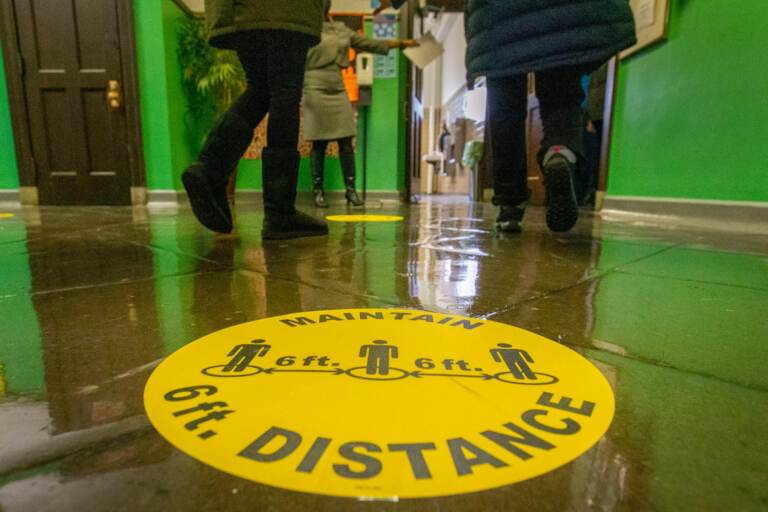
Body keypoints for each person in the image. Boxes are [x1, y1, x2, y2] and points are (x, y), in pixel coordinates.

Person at [378, 0, 635, 233]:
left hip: (496, 18)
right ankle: (559, 152)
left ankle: (510, 206)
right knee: (561, 94)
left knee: (504, 111)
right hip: (563, 12)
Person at [181, 0, 328, 240]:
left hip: (238, 9)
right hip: (284, 9)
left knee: (260, 87)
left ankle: (210, 168)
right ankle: (279, 213)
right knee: (285, 90)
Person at [304, 1, 417, 208]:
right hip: (313, 86)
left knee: (346, 141)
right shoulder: (304, 29)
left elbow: (368, 43)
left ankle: (351, 191)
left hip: (337, 86)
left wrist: (401, 44)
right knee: (318, 143)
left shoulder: (340, 29)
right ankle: (318, 192)